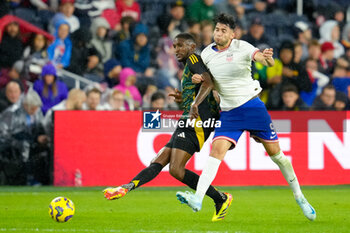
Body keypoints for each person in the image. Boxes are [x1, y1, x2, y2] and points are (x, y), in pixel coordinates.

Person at [176, 13, 316, 221]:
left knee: (278, 156)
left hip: (252, 107)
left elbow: (262, 60)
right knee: (216, 150)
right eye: (216, 29)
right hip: (230, 113)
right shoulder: (206, 53)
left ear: (233, 34)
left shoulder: (243, 47)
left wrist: (267, 58)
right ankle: (197, 199)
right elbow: (205, 79)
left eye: (224, 30)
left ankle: (300, 196)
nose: (218, 33)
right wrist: (198, 79)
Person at [103, 33, 232, 222]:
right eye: (174, 46)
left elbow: (209, 82)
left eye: (180, 46)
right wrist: (187, 98)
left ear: (191, 46)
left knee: (176, 169)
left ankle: (221, 198)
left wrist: (194, 103)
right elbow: (203, 86)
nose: (176, 50)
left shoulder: (194, 58)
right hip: (188, 120)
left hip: (199, 122)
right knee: (159, 161)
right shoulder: (188, 66)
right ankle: (125, 187)